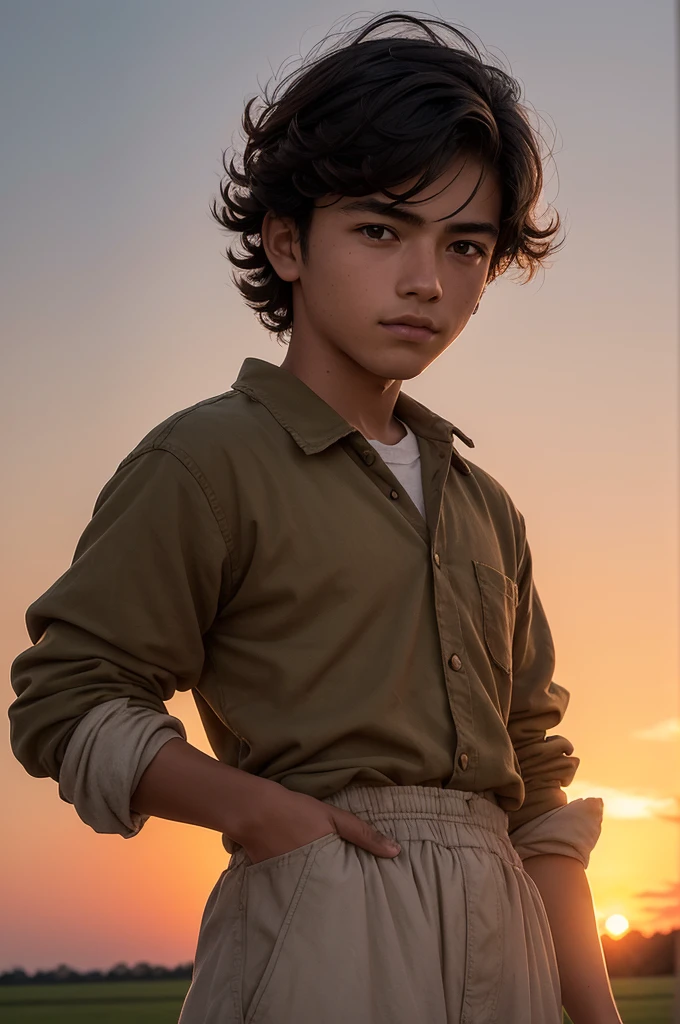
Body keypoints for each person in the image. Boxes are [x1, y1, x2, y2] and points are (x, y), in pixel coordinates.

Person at [8, 12, 619, 1023]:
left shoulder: (485, 509)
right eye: (380, 229)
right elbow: (66, 696)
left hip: (507, 941)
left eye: (464, 245)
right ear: (287, 242)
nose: (426, 279)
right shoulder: (205, 460)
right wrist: (261, 815)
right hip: (324, 918)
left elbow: (539, 791)